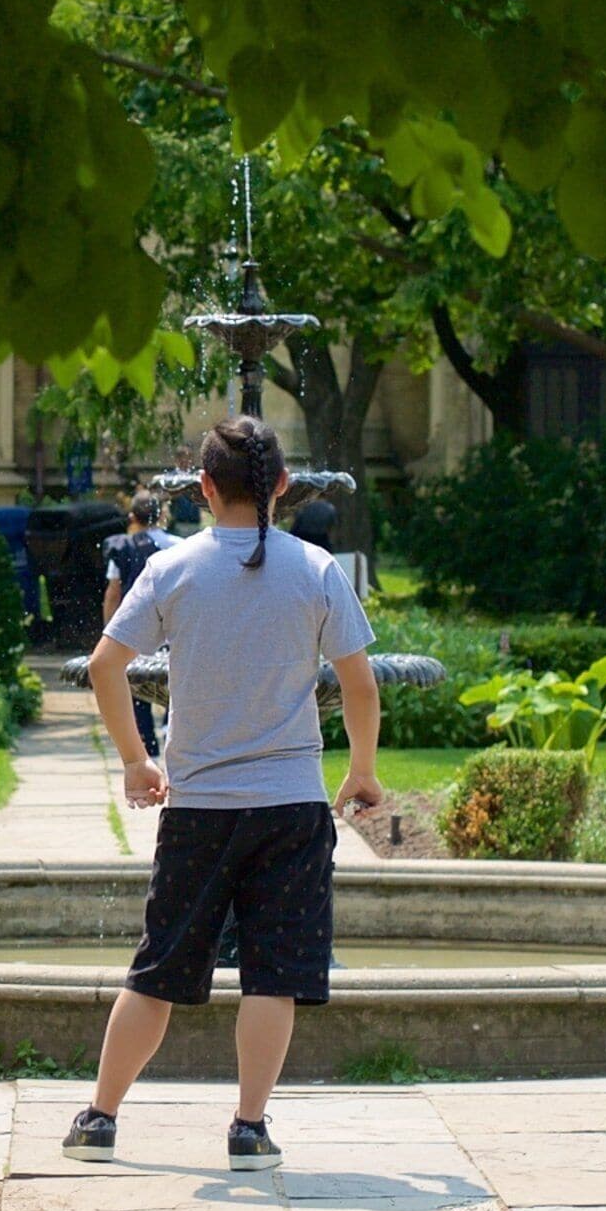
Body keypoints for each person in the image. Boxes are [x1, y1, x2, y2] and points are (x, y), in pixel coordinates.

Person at [69, 417, 385, 1173]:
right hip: (291, 808)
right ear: (281, 485)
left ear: (203, 488)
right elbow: (360, 683)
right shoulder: (314, 569)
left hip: (198, 810)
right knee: (274, 974)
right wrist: (362, 769)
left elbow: (105, 665)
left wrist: (136, 761)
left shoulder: (172, 570)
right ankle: (248, 1127)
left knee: (159, 970)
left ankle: (100, 1118)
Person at [97, 484, 183, 756]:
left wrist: (111, 631)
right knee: (175, 681)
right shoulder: (179, 547)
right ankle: (173, 730)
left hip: (138, 629)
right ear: (162, 516)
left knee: (136, 685)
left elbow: (113, 592)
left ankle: (147, 744)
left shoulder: (122, 547)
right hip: (172, 627)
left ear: (132, 517)